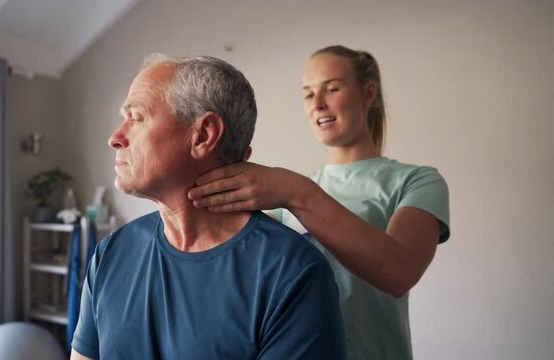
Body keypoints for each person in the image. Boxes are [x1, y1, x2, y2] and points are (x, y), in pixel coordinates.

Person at [70, 54, 345, 360]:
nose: (115, 138)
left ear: (203, 135)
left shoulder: (293, 274)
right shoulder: (109, 255)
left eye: (136, 118)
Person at [188, 45, 450, 360]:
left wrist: (297, 192)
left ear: (368, 93)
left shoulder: (418, 181)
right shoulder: (283, 197)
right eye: (309, 94)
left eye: (332, 89)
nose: (318, 104)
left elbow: (399, 271)